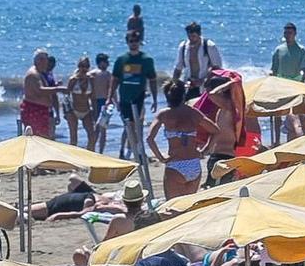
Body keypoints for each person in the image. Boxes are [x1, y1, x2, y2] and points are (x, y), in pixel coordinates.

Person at [146, 82, 216, 199]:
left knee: (172, 207)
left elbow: (149, 138)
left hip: (175, 165)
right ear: (183, 95)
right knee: (188, 206)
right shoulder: (193, 112)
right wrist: (204, 151)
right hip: (194, 164)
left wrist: (160, 157)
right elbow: (215, 130)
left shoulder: (164, 114)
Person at [112, 30, 159, 159]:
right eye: (131, 41)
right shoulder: (121, 60)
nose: (134, 44)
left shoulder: (146, 60)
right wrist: (110, 97)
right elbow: (115, 79)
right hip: (124, 98)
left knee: (137, 125)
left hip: (139, 98)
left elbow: (153, 80)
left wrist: (155, 99)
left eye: (136, 41)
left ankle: (135, 151)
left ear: (139, 42)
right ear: (127, 42)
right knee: (128, 125)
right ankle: (125, 151)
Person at [169, 21, 223, 91]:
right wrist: (174, 83)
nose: (191, 39)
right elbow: (178, 68)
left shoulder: (209, 46)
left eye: (193, 36)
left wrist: (203, 80)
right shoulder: (183, 46)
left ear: (199, 34)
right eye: (189, 36)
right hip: (189, 85)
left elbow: (217, 68)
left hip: (206, 86)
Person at [18, 51, 59, 139]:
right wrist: (59, 89)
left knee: (45, 137)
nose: (47, 64)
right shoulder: (33, 74)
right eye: (45, 61)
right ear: (40, 61)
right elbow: (40, 90)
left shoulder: (41, 73)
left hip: (43, 110)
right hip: (34, 110)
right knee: (37, 139)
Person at [63, 56, 97, 149]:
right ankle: (73, 160)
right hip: (74, 111)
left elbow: (93, 98)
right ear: (78, 66)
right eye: (82, 66)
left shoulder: (91, 79)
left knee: (92, 136)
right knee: (74, 138)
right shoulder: (73, 80)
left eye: (86, 66)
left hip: (86, 110)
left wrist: (95, 112)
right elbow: (66, 96)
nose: (84, 68)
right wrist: (66, 112)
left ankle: (90, 158)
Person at [89, 54, 115, 151]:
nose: (108, 64)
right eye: (106, 62)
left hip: (95, 101)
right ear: (101, 62)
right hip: (103, 102)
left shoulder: (91, 74)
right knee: (102, 129)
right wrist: (116, 102)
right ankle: (100, 151)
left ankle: (93, 149)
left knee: (96, 128)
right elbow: (111, 90)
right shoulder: (106, 74)